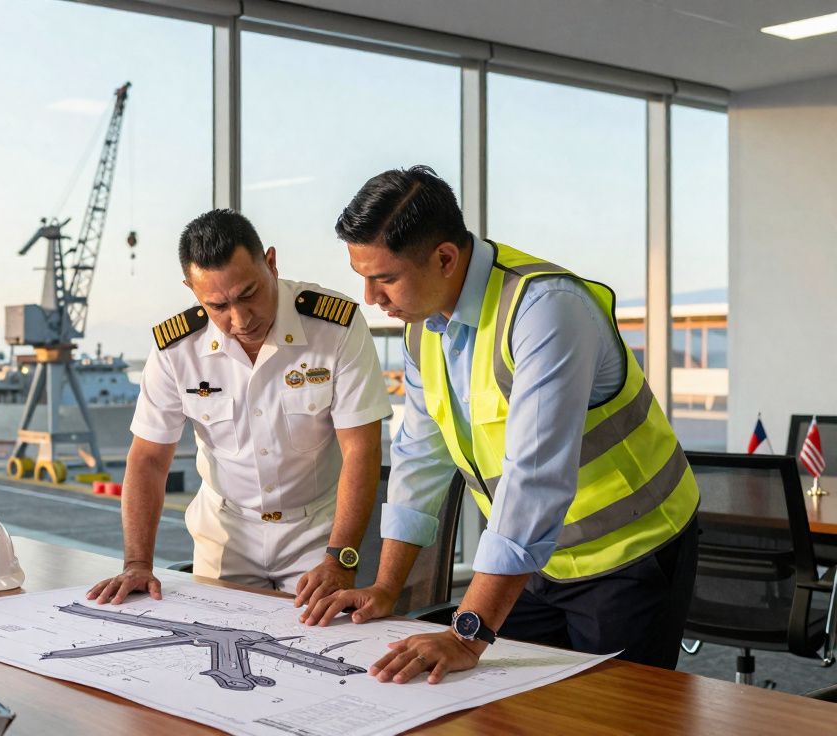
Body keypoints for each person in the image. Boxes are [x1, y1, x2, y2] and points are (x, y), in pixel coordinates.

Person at [303, 166, 699, 685]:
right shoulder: (424, 328)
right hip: (535, 561)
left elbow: (534, 481)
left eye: (385, 278)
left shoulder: (546, 310)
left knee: (613, 714)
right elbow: (419, 458)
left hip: (628, 554)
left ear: (445, 258)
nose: (370, 296)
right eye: (363, 276)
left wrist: (467, 634)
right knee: (509, 706)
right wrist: (385, 589)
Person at [87, 209, 392, 608]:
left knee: (322, 636)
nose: (240, 319)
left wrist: (340, 558)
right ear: (192, 290)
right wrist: (137, 563)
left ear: (271, 263)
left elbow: (361, 449)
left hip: (317, 533)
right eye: (218, 306)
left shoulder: (334, 326)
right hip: (225, 533)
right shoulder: (177, 349)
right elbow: (148, 458)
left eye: (249, 294)